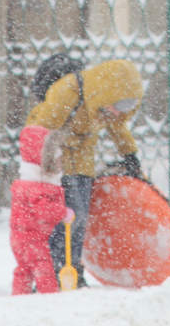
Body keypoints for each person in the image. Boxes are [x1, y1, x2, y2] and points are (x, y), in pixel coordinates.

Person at [25, 57, 144, 287]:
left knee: (79, 220)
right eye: (120, 105)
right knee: (67, 217)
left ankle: (72, 271)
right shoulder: (67, 92)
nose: (121, 112)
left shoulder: (105, 108)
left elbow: (117, 129)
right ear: (106, 93)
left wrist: (130, 155)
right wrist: (41, 163)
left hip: (82, 163)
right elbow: (41, 127)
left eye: (129, 107)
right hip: (57, 162)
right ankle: (52, 270)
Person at [9, 125, 73, 295]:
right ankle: (49, 296)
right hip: (33, 239)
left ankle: (19, 294)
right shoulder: (38, 188)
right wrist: (63, 213)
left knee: (24, 268)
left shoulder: (26, 185)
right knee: (43, 268)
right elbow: (45, 211)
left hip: (19, 237)